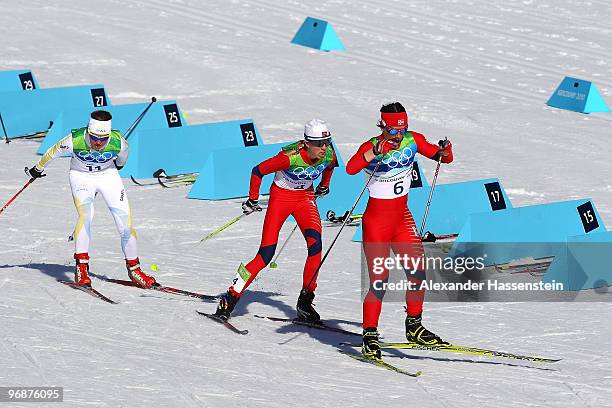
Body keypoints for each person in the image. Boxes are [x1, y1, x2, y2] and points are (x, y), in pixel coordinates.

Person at [346, 102, 453, 360]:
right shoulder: (371, 144)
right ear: (383, 125)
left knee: (418, 271)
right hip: (377, 222)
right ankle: (369, 335)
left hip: (402, 219)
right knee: (379, 281)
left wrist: (445, 150)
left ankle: (414, 326)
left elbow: (443, 158)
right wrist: (374, 152)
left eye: (402, 130)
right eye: (393, 131)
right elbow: (350, 168)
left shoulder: (412, 140)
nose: (398, 135)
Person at [214, 119, 337, 322]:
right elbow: (258, 170)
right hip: (281, 200)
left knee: (316, 247)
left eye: (327, 142)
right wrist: (253, 199)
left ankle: (305, 302)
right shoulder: (289, 158)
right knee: (265, 254)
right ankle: (231, 296)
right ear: (307, 142)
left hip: (305, 199)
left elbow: (330, 166)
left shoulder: (328, 154)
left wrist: (324, 185)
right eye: (318, 144)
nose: (324, 148)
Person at [27, 110, 156, 288]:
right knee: (86, 216)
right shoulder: (75, 139)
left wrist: (104, 169)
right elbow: (52, 152)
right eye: (94, 137)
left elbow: (120, 163)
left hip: (107, 176)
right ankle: (81, 268)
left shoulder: (120, 143)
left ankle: (135, 271)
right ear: (88, 130)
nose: (97, 142)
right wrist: (37, 169)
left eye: (103, 139)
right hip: (81, 177)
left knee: (125, 224)